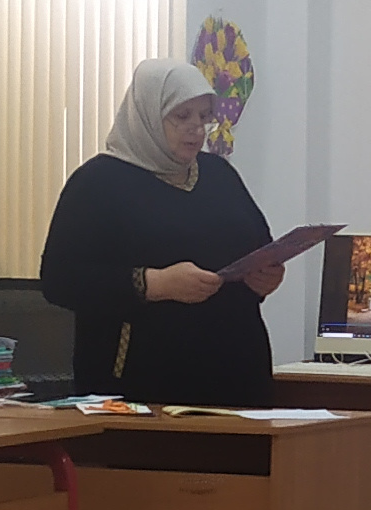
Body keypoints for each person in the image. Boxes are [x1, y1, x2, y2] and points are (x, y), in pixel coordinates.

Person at [38, 58, 277, 403]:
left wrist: (266, 277)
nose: (196, 128)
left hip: (236, 372)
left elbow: (259, 246)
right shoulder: (98, 182)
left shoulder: (219, 174)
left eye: (203, 116)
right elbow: (60, 280)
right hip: (143, 379)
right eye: (182, 116)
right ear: (147, 114)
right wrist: (153, 283)